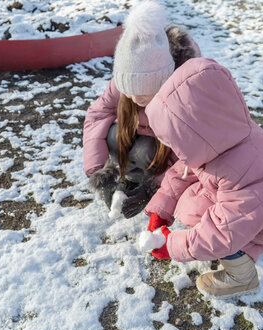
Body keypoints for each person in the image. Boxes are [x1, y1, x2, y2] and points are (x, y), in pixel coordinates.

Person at [141, 55, 263, 299]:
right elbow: (183, 172)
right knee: (192, 201)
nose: (175, 151)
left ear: (196, 132)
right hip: (259, 198)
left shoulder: (247, 168)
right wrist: (161, 211)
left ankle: (242, 276)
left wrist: (172, 246)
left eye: (176, 142)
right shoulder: (220, 137)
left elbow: (224, 230)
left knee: (203, 217)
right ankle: (237, 248)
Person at [83, 0, 200, 218]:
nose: (136, 98)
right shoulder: (124, 80)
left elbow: (190, 159)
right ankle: (130, 182)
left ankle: (145, 184)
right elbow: (96, 115)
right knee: (111, 134)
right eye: (129, 91)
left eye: (144, 92)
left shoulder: (186, 94)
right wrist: (101, 175)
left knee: (144, 150)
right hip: (143, 137)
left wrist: (153, 188)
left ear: (163, 81)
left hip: (165, 152)